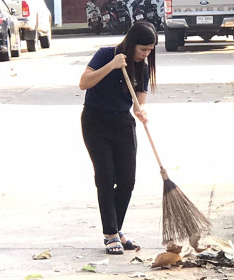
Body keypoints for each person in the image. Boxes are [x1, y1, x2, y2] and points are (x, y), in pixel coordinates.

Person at [79, 21, 158, 255]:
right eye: (143, 49)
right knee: (105, 177)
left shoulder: (142, 68)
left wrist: (141, 111)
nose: (146, 54)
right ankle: (111, 234)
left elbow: (138, 102)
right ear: (132, 44)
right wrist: (111, 66)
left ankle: (117, 229)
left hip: (123, 123)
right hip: (95, 121)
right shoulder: (106, 55)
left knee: (127, 180)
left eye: (150, 50)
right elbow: (84, 83)